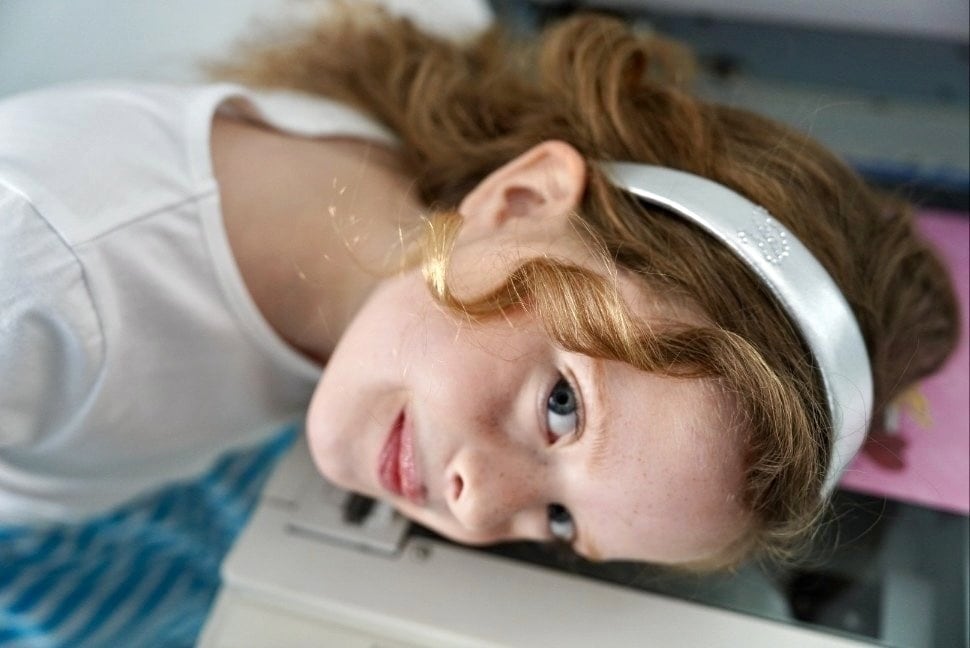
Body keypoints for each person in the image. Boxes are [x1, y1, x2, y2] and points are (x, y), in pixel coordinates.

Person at [0, 6, 959, 573]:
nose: (476, 506)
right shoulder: (38, 281)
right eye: (562, 405)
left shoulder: (403, 204)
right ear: (522, 199)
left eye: (559, 523)